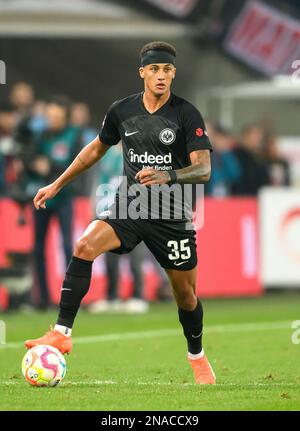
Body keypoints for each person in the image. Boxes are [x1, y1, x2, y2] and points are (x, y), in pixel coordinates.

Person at [25, 41, 215, 385]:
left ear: (174, 73)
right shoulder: (121, 111)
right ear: (142, 72)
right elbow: (96, 149)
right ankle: (61, 333)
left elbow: (203, 170)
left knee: (186, 296)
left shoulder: (186, 114)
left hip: (172, 215)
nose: (161, 76)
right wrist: (57, 184)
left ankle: (197, 355)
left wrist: (169, 175)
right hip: (129, 206)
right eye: (154, 69)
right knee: (84, 246)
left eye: (167, 70)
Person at [27, 96, 81, 309]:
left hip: (65, 198)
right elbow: (29, 158)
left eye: (56, 117)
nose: (52, 120)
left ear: (64, 117)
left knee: (69, 246)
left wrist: (48, 166)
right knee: (38, 248)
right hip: (42, 199)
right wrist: (34, 164)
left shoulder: (73, 136)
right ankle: (43, 298)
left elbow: (75, 166)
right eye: (49, 116)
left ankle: (71, 297)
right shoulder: (41, 136)